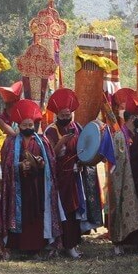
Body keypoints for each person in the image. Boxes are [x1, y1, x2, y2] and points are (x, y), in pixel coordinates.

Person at [0, 99, 63, 258]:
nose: (28, 128)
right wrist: (19, 166)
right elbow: (6, 164)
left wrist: (41, 164)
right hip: (18, 187)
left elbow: (51, 162)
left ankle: (36, 248)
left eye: (30, 125)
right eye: (24, 126)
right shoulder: (11, 142)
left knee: (37, 215)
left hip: (37, 186)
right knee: (20, 214)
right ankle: (17, 247)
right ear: (19, 125)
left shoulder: (43, 141)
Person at [108, 89, 138, 256]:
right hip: (126, 179)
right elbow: (117, 161)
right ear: (130, 118)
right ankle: (120, 242)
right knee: (123, 208)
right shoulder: (119, 136)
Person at [44, 88, 86, 259]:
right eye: (62, 115)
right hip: (58, 177)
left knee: (73, 211)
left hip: (74, 176)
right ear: (57, 115)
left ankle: (72, 245)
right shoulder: (51, 130)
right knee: (62, 210)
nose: (66, 117)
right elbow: (48, 155)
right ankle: (58, 244)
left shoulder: (77, 127)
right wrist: (61, 142)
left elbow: (84, 149)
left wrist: (83, 161)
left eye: (68, 114)